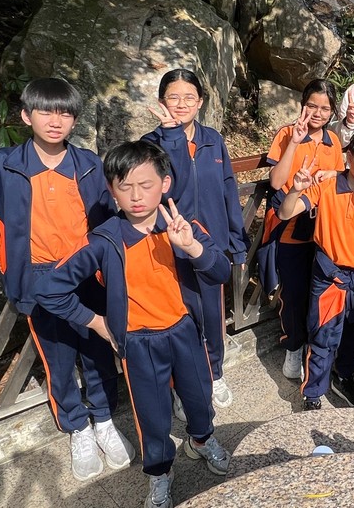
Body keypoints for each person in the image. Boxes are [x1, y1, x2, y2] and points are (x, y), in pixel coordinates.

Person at [0, 78, 134, 481]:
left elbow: (110, 219)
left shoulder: (89, 164)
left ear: (74, 119)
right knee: (58, 360)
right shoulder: (4, 167)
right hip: (38, 278)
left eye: (65, 113)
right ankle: (77, 428)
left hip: (87, 273)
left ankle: (104, 420)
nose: (55, 121)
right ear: (26, 116)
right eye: (45, 111)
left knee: (99, 351)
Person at [34, 141, 232, 508]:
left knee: (199, 398)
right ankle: (159, 472)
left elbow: (221, 271)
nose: (136, 196)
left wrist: (192, 248)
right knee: (152, 416)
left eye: (146, 184)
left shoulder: (183, 227)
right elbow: (48, 289)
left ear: (165, 184)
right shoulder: (104, 240)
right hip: (139, 343)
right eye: (125, 187)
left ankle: (202, 439)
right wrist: (96, 322)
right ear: (111, 190)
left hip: (185, 330)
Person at [142, 69, 249, 409]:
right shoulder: (149, 144)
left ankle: (214, 373)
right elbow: (162, 193)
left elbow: (229, 190)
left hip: (210, 246)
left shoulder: (212, 139)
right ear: (161, 102)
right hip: (168, 246)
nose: (181, 104)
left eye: (189, 97)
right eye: (173, 97)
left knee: (212, 316)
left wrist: (237, 243)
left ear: (200, 102)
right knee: (177, 318)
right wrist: (172, 137)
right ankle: (181, 383)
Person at [278, 129, 354, 411]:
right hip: (329, 274)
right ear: (349, 156)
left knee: (353, 334)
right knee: (322, 336)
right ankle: (313, 392)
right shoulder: (326, 186)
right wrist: (296, 188)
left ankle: (344, 376)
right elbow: (285, 212)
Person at [262, 79, 346, 381]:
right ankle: (293, 346)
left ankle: (314, 345)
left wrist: (333, 172)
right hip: (290, 226)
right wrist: (295, 142)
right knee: (294, 293)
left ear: (333, 111)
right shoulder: (287, 133)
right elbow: (276, 182)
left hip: (323, 229)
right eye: (312, 105)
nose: (317, 113)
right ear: (302, 105)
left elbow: (337, 181)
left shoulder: (333, 141)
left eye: (325, 108)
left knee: (317, 292)